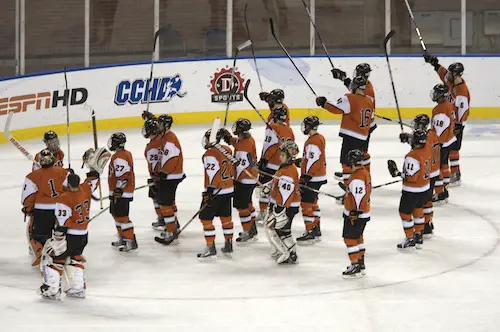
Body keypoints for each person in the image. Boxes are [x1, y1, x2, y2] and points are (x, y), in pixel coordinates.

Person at [38, 156, 104, 300]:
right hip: (83, 234)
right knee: (75, 258)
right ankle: (77, 288)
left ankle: (52, 289)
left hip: (70, 234)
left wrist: (58, 237)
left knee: (55, 258)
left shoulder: (64, 198)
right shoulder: (85, 189)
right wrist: (93, 169)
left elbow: (63, 222)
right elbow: (93, 180)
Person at [316, 75, 374, 201]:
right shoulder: (369, 100)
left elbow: (336, 108)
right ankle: (364, 189)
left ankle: (350, 193)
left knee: (347, 164)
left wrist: (324, 103)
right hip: (363, 138)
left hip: (351, 137)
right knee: (359, 164)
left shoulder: (350, 98)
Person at [424, 55, 470, 186]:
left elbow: (464, 110)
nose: (448, 74)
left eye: (452, 73)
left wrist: (460, 125)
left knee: (453, 148)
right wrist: (435, 64)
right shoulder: (450, 81)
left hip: (455, 121)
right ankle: (451, 174)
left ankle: (455, 174)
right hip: (449, 119)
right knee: (449, 147)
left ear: (457, 75)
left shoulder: (461, 91)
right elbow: (443, 74)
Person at [22, 149, 70, 266]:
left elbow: (27, 196)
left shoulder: (32, 176)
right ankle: (66, 255)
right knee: (62, 233)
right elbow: (71, 189)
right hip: (60, 209)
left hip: (41, 210)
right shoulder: (63, 172)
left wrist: (28, 208)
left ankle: (40, 255)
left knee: (38, 236)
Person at [388, 129, 431, 250]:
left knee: (404, 213)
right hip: (425, 189)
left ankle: (410, 238)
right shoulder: (427, 148)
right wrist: (407, 138)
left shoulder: (411, 157)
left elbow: (411, 177)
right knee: (418, 211)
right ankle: (419, 236)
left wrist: (397, 173)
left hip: (412, 191)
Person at [331, 63, 376, 176]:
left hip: (363, 125)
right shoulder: (365, 85)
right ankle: (359, 173)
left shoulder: (368, 89)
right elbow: (354, 88)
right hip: (366, 123)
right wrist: (343, 78)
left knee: (360, 153)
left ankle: (358, 174)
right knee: (360, 152)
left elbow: (355, 94)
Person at [219, 119, 259, 244]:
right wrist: (228, 138)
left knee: (242, 206)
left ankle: (248, 232)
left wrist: (236, 180)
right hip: (250, 179)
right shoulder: (247, 139)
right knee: (247, 204)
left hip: (244, 180)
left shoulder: (244, 147)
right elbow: (237, 143)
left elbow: (241, 166)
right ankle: (252, 230)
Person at [198, 129, 234, 260]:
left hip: (216, 191)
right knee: (226, 218)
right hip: (228, 188)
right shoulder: (227, 150)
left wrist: (209, 191)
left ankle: (210, 247)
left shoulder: (210, 154)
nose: (206, 141)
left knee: (206, 219)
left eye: (208, 138)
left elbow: (212, 174)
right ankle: (228, 244)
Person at [400, 114, 440, 236]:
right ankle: (427, 224)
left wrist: (408, 139)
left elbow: (419, 149)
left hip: (427, 173)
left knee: (424, 202)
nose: (415, 126)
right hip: (432, 170)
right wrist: (408, 138)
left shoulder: (425, 140)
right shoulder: (432, 134)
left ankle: (425, 226)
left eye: (417, 124)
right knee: (426, 201)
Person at [256, 106, 295, 224]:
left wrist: (264, 159)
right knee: (274, 191)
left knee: (263, 189)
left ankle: (264, 213)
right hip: (281, 165)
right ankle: (273, 213)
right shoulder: (289, 129)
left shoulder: (272, 127)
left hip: (270, 164)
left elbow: (270, 146)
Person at [265, 140, 301, 264]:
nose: (279, 157)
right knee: (283, 230)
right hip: (287, 205)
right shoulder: (285, 168)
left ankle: (287, 253)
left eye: (283, 155)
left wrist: (279, 211)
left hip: (286, 207)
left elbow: (286, 195)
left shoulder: (288, 172)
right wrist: (269, 187)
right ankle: (291, 252)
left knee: (277, 229)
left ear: (290, 156)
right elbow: (278, 183)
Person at [295, 116, 327, 245]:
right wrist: (302, 163)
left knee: (306, 204)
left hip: (313, 177)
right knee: (313, 203)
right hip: (318, 176)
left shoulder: (313, 141)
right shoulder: (319, 138)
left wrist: (306, 175)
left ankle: (310, 232)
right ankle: (316, 229)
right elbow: (313, 159)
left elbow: (313, 160)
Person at [155, 114, 185, 243]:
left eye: (160, 124)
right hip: (171, 175)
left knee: (165, 204)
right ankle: (173, 227)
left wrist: (164, 172)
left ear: (165, 125)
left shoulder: (170, 139)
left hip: (171, 176)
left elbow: (172, 159)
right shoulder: (166, 136)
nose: (158, 126)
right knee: (168, 202)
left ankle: (171, 231)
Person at [341, 149, 371, 278]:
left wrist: (355, 212)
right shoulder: (364, 173)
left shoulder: (357, 178)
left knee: (350, 238)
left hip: (356, 215)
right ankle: (360, 263)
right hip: (363, 214)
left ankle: (355, 265)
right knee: (358, 238)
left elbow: (359, 197)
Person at [108, 132, 138, 252]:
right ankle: (123, 237)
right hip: (118, 192)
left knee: (122, 217)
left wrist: (119, 189)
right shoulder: (124, 154)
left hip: (121, 193)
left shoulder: (119, 157)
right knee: (116, 214)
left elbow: (124, 175)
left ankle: (130, 240)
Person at [430, 84, 456, 204]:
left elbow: (438, 131)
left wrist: (431, 138)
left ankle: (440, 193)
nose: (434, 95)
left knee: (437, 168)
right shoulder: (449, 105)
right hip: (449, 140)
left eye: (436, 93)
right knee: (444, 164)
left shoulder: (439, 109)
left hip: (441, 143)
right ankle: (445, 187)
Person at [142, 118, 164, 230]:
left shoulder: (152, 147)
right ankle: (169, 220)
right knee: (166, 200)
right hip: (164, 175)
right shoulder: (162, 140)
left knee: (156, 197)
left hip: (158, 177)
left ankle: (162, 218)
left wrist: (155, 176)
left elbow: (154, 164)